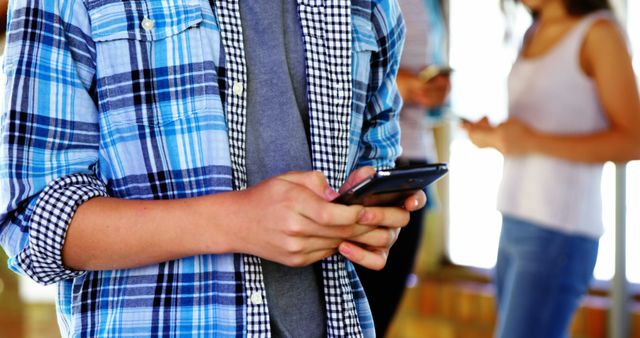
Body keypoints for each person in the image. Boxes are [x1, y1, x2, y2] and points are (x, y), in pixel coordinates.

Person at [0, 0, 423, 336]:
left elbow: (373, 161)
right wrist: (236, 221)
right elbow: (31, 224)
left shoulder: (370, 7)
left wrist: (367, 219)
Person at [462, 0, 640, 337]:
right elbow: (539, 127)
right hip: (513, 220)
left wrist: (531, 142)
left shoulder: (599, 33)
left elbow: (633, 141)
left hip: (560, 229)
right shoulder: (533, 30)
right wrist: (497, 137)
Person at [354, 0, 450, 335]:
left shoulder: (432, 7)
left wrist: (434, 92)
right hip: (361, 171)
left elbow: (435, 108)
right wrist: (395, 85)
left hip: (413, 164)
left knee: (379, 318)